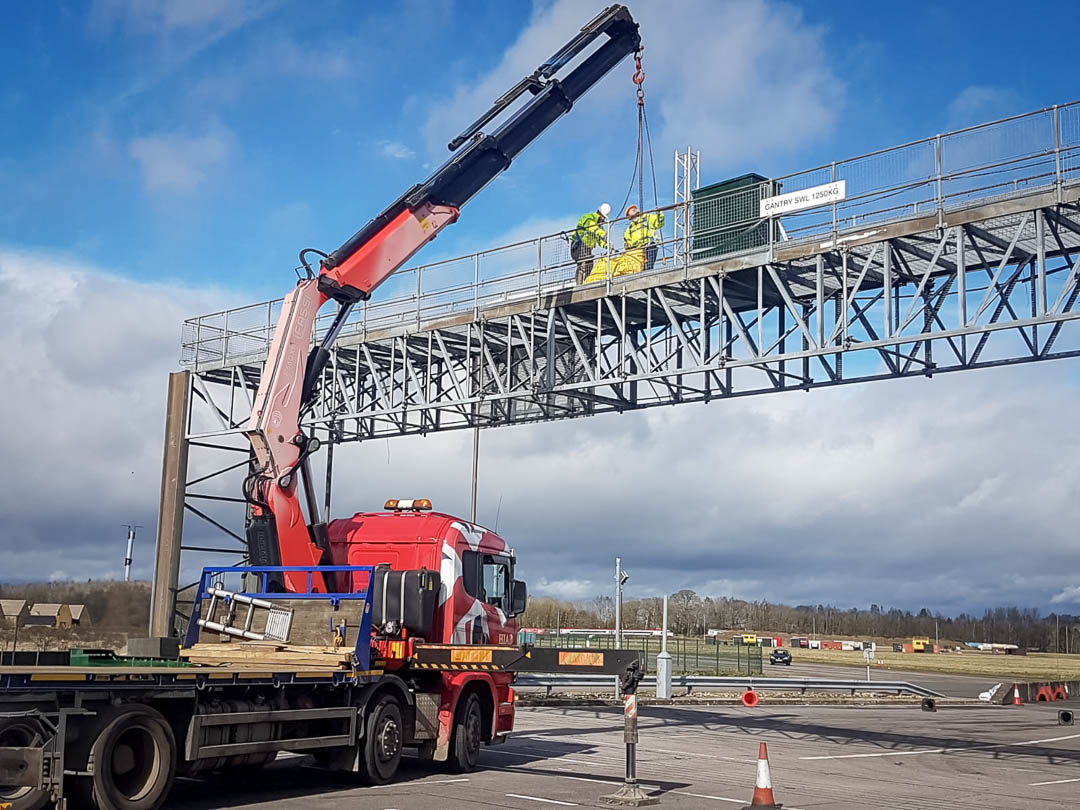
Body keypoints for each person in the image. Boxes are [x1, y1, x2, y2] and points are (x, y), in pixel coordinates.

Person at [571, 202, 611, 283]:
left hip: (587, 249)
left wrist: (607, 245)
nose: (603, 220)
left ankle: (587, 282)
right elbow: (592, 227)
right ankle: (579, 284)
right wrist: (603, 234)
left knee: (590, 264)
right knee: (582, 265)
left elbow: (600, 240)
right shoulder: (589, 218)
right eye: (603, 217)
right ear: (600, 214)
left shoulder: (599, 228)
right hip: (579, 245)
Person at [623, 204, 665, 271]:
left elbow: (659, 223)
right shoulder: (630, 228)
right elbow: (627, 240)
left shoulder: (647, 218)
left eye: (634, 210)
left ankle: (647, 276)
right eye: (632, 211)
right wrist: (628, 246)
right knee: (640, 268)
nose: (635, 211)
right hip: (638, 250)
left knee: (648, 267)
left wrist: (659, 213)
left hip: (650, 245)